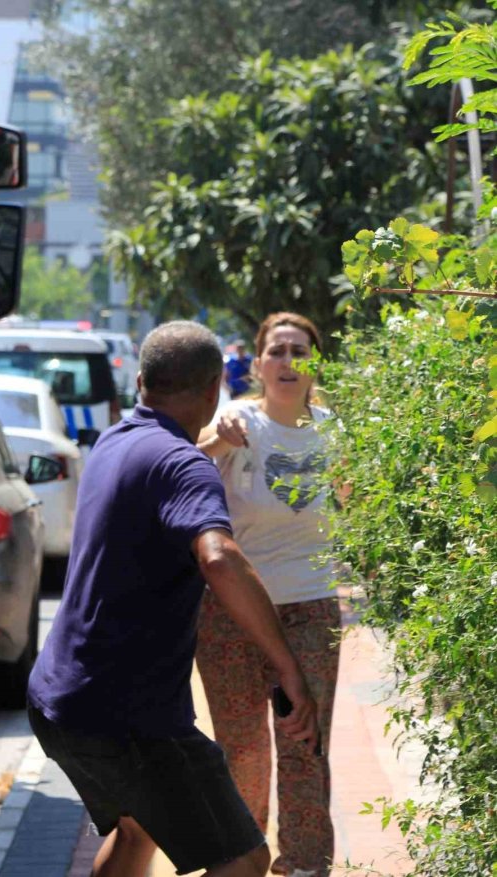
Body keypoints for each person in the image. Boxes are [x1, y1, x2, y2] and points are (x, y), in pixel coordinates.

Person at [27, 320, 320, 877]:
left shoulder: (115, 440)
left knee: (138, 830)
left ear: (140, 381)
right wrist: (287, 666)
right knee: (244, 859)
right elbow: (219, 556)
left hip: (61, 699)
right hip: (129, 715)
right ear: (215, 390)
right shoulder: (184, 465)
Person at [196, 312, 340, 877]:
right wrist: (215, 438)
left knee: (303, 744)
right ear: (258, 364)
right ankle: (242, 864)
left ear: (313, 363)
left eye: (299, 351)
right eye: (276, 351)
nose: (287, 362)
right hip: (232, 611)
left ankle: (304, 867)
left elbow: (362, 506)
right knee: (243, 751)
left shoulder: (337, 434)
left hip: (310, 607)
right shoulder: (237, 424)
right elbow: (189, 459)